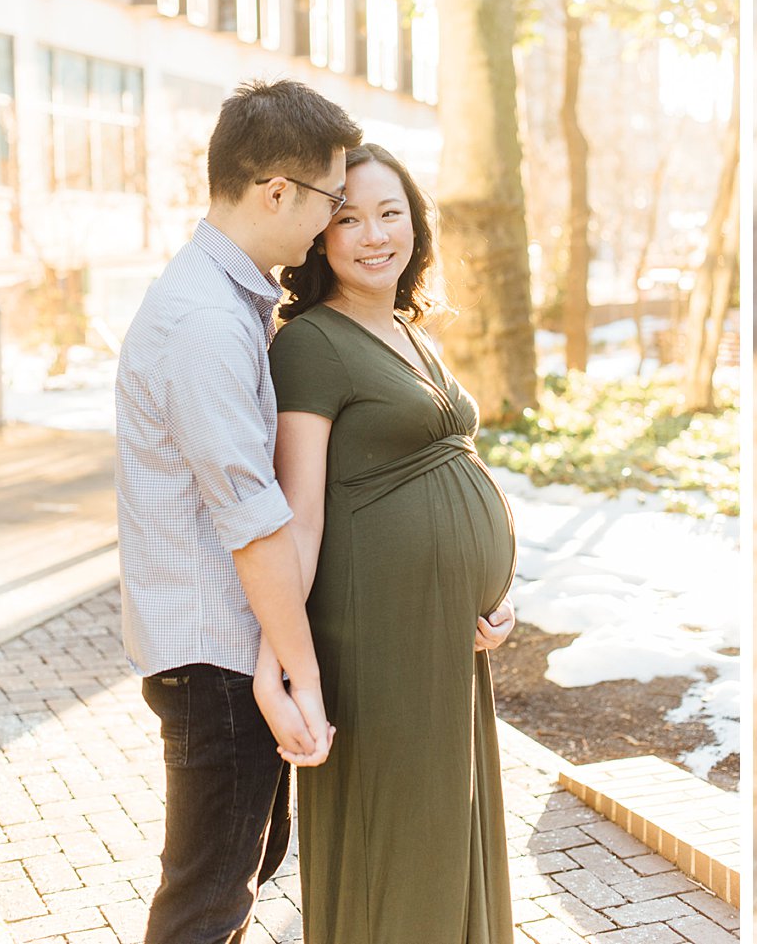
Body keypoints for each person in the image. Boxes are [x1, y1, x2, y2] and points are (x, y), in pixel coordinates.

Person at [116, 79, 361, 943]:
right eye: (333, 198)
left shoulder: (228, 299)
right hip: (216, 656)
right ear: (277, 192)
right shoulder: (204, 321)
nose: (334, 221)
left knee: (236, 877)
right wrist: (299, 672)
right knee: (208, 898)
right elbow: (251, 518)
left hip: (221, 649)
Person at [262, 143, 519, 944]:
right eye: (347, 218)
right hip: (378, 640)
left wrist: (498, 588)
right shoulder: (310, 343)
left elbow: (453, 458)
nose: (374, 235)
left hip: (447, 640)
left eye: (390, 212)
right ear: (318, 237)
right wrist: (279, 660)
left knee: (451, 830)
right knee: (402, 847)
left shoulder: (408, 328)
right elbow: (297, 516)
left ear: (415, 222)